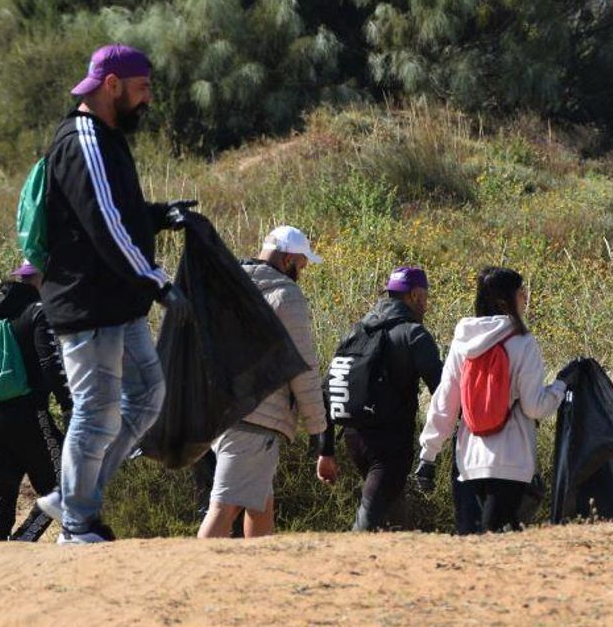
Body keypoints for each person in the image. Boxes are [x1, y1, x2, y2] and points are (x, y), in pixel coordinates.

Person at [38, 44, 187, 544]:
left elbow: (121, 210)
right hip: (88, 305)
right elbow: (104, 223)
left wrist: (160, 214)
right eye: (142, 89)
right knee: (96, 410)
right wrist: (155, 279)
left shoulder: (107, 136)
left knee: (147, 397)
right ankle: (77, 525)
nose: (147, 100)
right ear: (113, 85)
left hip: (116, 303)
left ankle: (74, 497)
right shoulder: (81, 139)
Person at [198, 226, 334, 539]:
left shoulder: (225, 286)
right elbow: (304, 369)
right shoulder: (287, 296)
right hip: (257, 417)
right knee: (226, 506)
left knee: (260, 502)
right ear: (287, 260)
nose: (301, 272)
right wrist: (319, 430)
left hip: (217, 411)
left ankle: (260, 572)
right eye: (300, 265)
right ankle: (196, 575)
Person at [417, 267, 567, 533]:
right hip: (513, 459)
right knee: (498, 541)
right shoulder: (523, 342)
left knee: (474, 542)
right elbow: (534, 407)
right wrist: (560, 387)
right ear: (504, 301)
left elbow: (445, 401)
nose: (526, 299)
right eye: (521, 293)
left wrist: (428, 455)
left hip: (469, 460)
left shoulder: (463, 341)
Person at [320, 266, 443, 532]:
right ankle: (340, 568)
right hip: (390, 446)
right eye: (425, 298)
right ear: (416, 296)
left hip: (354, 438)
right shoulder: (414, 334)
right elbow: (443, 392)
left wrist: (326, 450)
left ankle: (399, 566)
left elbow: (326, 390)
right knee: (369, 518)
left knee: (393, 514)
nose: (426, 305)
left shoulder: (357, 331)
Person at [0, 262, 71, 541]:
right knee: (65, 485)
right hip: (31, 414)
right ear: (39, 281)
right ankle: (24, 539)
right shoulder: (38, 312)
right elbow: (50, 365)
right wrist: (68, 404)